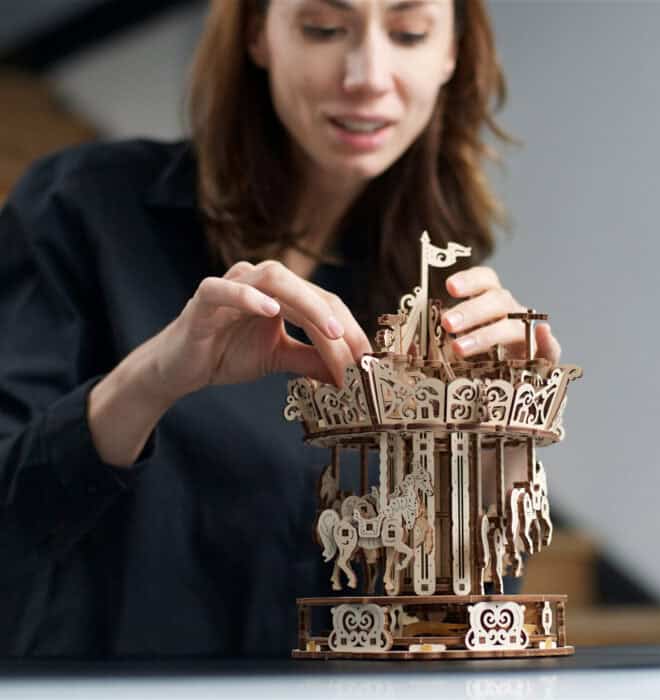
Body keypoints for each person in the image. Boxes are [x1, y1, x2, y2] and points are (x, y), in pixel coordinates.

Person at [0, 0, 561, 657]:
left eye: (409, 33)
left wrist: (497, 458)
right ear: (257, 34)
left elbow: (439, 624)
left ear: (451, 53)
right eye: (323, 28)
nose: (367, 76)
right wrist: (148, 382)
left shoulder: (429, 291)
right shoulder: (83, 207)